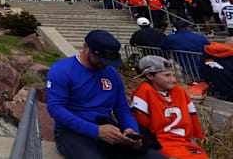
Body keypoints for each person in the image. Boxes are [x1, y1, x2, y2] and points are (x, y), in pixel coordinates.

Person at [46, 30, 165, 159]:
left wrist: (131, 130)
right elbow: (56, 109)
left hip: (108, 130)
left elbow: (122, 109)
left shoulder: (111, 73)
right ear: (86, 47)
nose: (104, 64)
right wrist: (96, 131)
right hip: (72, 132)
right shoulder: (62, 69)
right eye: (100, 59)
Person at [130, 56, 208, 159]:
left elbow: (192, 118)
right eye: (167, 75)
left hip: (184, 141)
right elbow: (140, 125)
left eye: (173, 75)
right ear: (149, 75)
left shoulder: (179, 91)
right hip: (160, 142)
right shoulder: (143, 93)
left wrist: (193, 140)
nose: (174, 80)